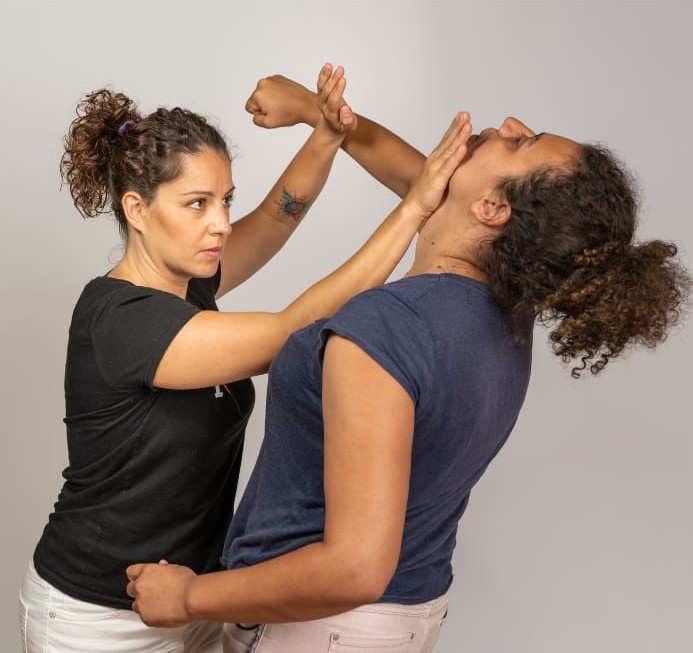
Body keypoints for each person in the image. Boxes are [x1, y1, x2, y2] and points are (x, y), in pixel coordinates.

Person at [126, 74, 691, 653]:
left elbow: (356, 569)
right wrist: (316, 116)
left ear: (493, 208)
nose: (512, 124)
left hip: (319, 625)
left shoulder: (389, 328)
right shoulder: (503, 312)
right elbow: (420, 177)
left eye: (523, 142)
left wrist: (189, 598)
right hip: (404, 613)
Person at [19, 63, 472, 653]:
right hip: (97, 615)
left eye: (225, 200)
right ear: (136, 209)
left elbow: (278, 216)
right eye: (197, 204)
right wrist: (414, 209)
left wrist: (326, 135)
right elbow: (291, 330)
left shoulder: (191, 285)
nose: (222, 224)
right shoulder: (120, 320)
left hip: (191, 591)